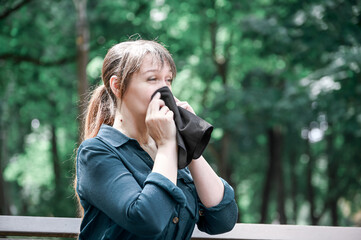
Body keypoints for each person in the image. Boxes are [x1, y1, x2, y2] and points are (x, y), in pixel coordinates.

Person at [75, 39, 238, 240]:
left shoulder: (169, 150)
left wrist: (189, 141)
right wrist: (167, 145)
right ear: (117, 86)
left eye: (168, 80)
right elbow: (148, 219)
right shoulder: (96, 153)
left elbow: (223, 219)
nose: (165, 90)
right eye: (152, 79)